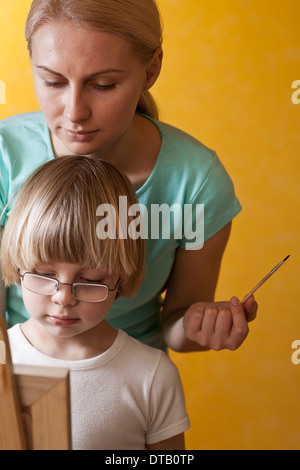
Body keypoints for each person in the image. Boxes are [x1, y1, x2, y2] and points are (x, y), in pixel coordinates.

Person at [0, 0, 257, 353]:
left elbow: (176, 326)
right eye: (53, 81)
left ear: (151, 70)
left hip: (130, 382)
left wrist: (203, 327)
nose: (74, 112)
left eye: (103, 84)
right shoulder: (5, 156)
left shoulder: (196, 183)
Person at [1, 155, 190, 450]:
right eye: (42, 274)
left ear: (121, 280)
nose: (63, 298)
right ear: (16, 266)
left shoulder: (152, 376)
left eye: (90, 280)